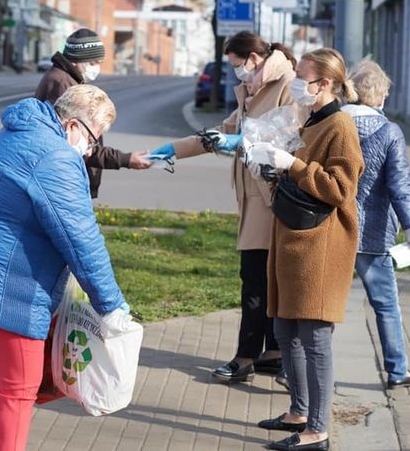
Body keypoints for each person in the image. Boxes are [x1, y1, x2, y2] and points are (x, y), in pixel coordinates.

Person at [0, 85, 128, 451]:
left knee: (0, 384)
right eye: (93, 137)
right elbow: (81, 240)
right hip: (12, 292)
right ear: (72, 124)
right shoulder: (54, 157)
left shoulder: (18, 132)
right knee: (18, 390)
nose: (91, 148)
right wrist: (112, 306)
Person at [150, 31, 297, 383]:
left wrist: (238, 141)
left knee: (256, 280)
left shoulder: (286, 85)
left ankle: (245, 357)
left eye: (237, 65)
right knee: (262, 278)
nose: (236, 73)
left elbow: (288, 137)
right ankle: (273, 353)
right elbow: (223, 130)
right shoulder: (253, 90)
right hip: (254, 195)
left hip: (271, 196)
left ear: (255, 58)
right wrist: (171, 151)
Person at [249, 48, 364, 450]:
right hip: (295, 241)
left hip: (320, 246)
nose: (297, 81)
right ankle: (299, 411)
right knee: (284, 329)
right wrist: (275, 165)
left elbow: (340, 189)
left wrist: (293, 165)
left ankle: (318, 429)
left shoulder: (341, 126)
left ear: (326, 83)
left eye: (303, 76)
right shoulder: (310, 118)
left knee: (314, 337)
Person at [342, 58, 410, 389]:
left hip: (332, 227)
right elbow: (400, 187)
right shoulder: (389, 132)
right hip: (373, 232)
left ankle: (293, 369)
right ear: (380, 95)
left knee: (319, 306)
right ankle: (397, 371)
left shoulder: (334, 124)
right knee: (386, 305)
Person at [35, 28, 151, 199]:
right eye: (92, 62)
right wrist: (126, 159)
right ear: (75, 60)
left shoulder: (67, 80)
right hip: (64, 184)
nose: (96, 68)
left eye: (99, 62)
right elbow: (83, 145)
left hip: (65, 180)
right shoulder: (64, 85)